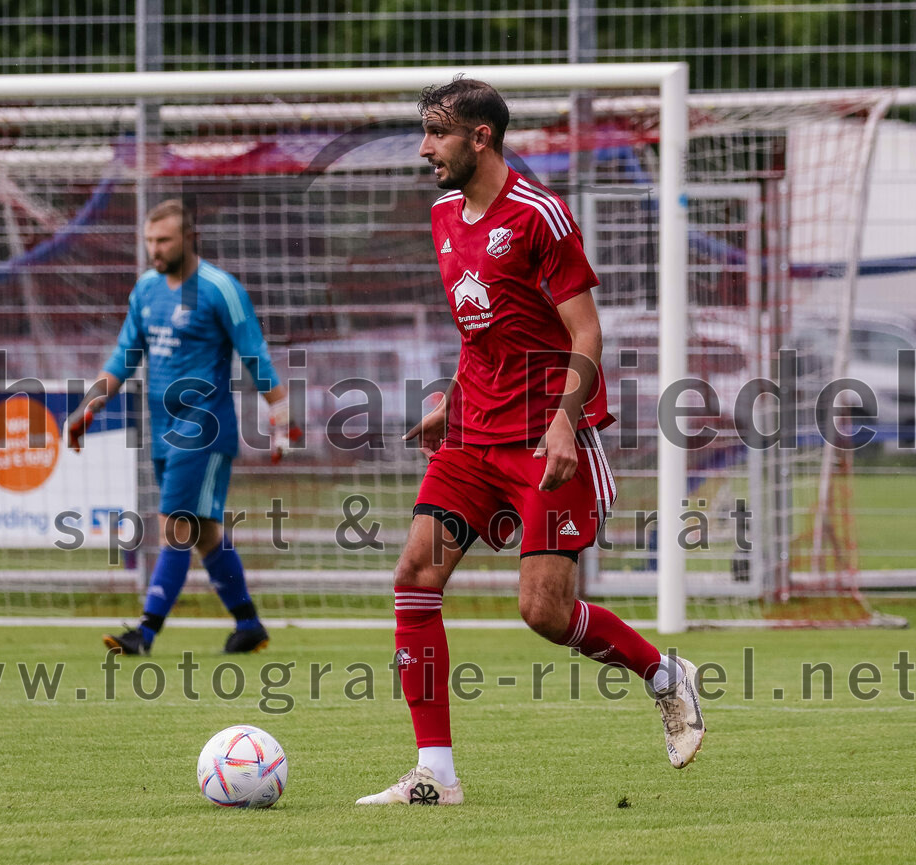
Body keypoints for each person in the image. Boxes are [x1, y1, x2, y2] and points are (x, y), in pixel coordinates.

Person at [356, 78, 705, 806]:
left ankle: (664, 675)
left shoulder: (540, 215)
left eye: (437, 134)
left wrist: (562, 419)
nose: (425, 149)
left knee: (544, 611)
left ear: (479, 138)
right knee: (415, 577)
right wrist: (449, 402)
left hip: (547, 443)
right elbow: (481, 328)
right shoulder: (444, 214)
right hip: (472, 439)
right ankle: (435, 774)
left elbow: (587, 332)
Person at [67, 199, 297, 655]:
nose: (154, 248)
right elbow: (123, 358)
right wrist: (86, 408)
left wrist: (281, 414)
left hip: (205, 428)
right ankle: (248, 624)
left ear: (189, 238)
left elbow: (254, 352)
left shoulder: (219, 288)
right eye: (150, 240)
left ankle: (145, 632)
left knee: (174, 524)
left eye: (164, 240)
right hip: (163, 429)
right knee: (204, 531)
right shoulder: (146, 291)